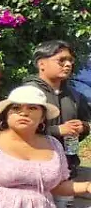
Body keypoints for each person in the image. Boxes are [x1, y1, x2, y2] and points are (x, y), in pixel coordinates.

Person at [23, 40, 91, 188]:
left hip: (67, 171)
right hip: (33, 173)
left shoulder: (75, 95)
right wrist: (57, 131)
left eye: (70, 60)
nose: (68, 64)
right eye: (61, 60)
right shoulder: (28, 93)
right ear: (41, 64)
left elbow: (85, 124)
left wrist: (82, 127)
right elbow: (17, 131)